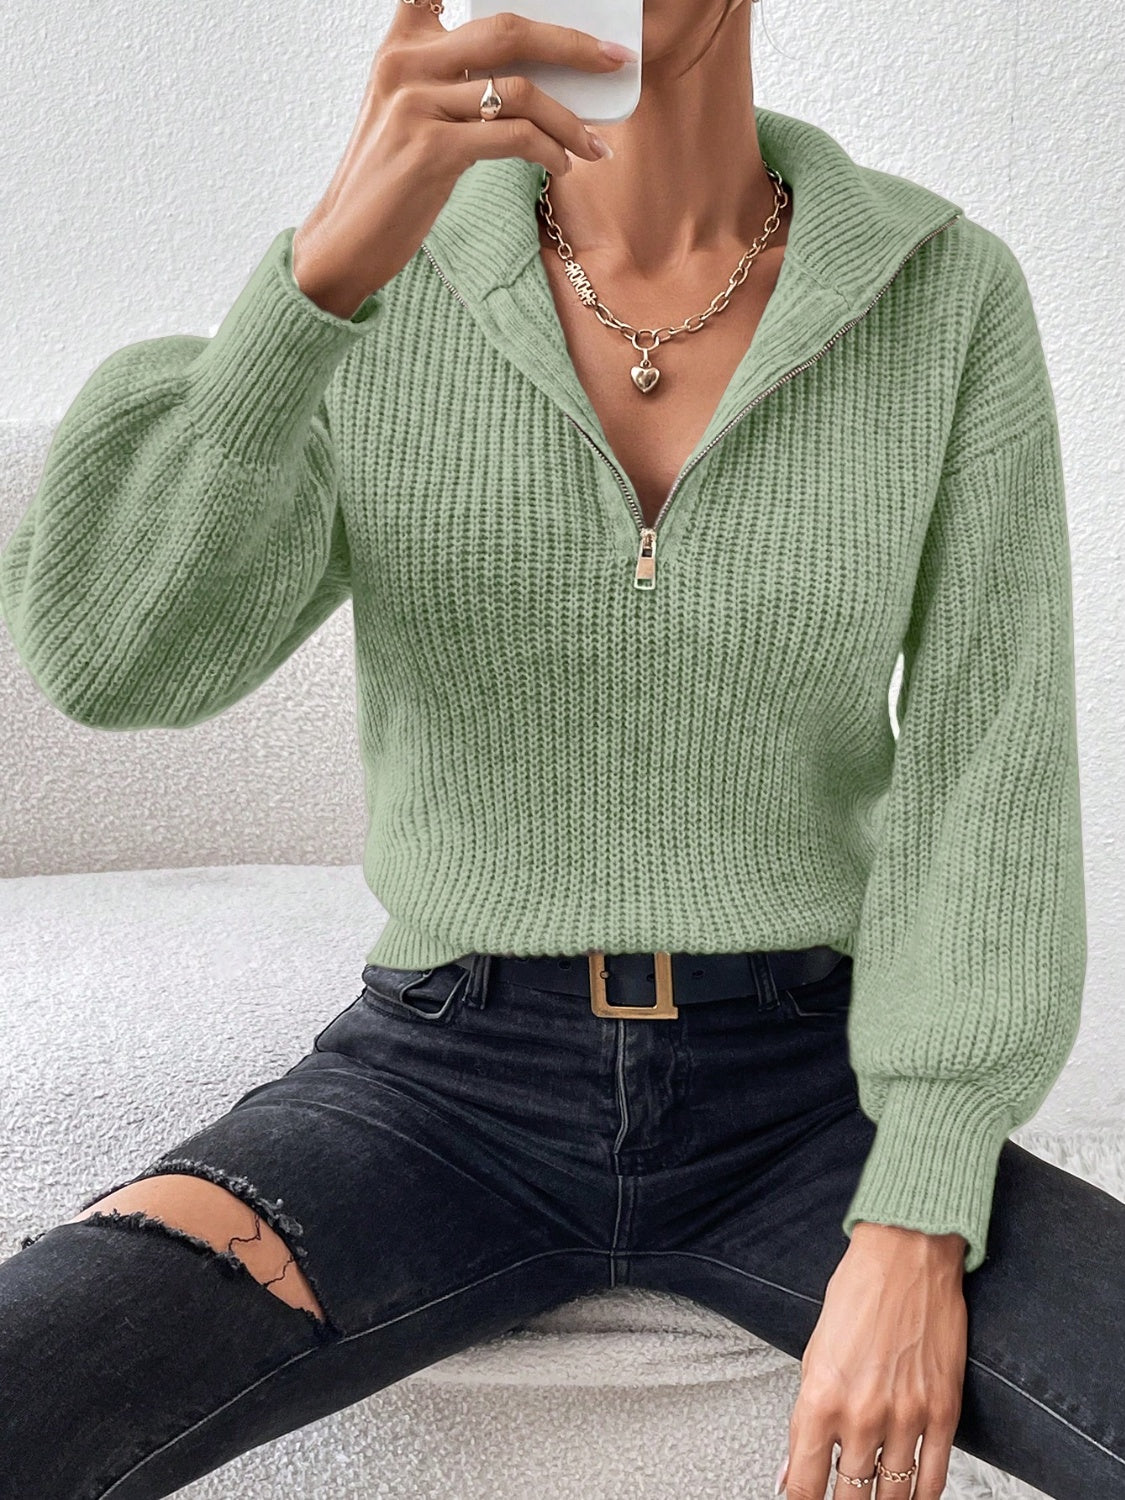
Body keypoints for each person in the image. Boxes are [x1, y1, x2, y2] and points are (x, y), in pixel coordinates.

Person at [0, 1, 1120, 1497]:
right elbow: (111, 661)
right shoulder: (378, 283)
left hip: (812, 1096)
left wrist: (916, 1213)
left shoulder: (940, 291)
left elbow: (990, 771)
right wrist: (321, 280)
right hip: (440, 1087)